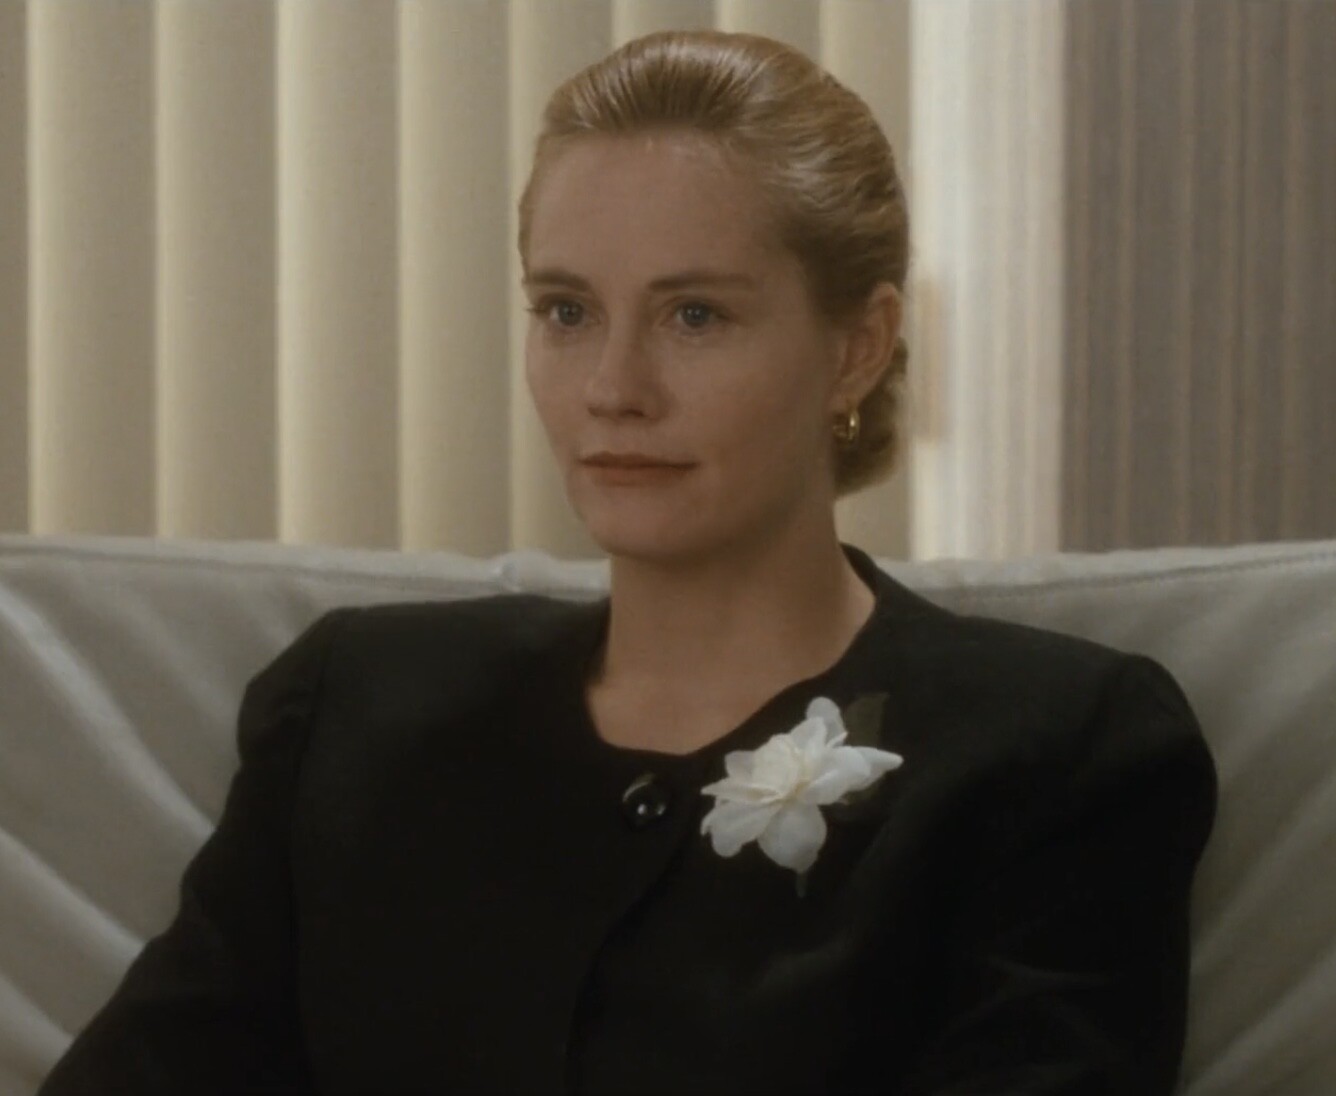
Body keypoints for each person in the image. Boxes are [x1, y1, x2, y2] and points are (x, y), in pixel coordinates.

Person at [39, 28, 1216, 1096]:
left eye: (694, 315)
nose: (612, 387)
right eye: (566, 311)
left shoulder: (1059, 750)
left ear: (857, 346)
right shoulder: (351, 705)